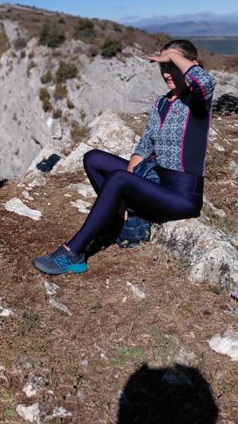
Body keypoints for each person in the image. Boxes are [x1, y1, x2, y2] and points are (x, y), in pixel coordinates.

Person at [32, 39, 215, 275]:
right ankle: (120, 219)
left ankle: (72, 253)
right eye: (163, 67)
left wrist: (174, 58)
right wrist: (129, 196)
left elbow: (206, 82)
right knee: (94, 159)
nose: (167, 73)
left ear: (191, 65)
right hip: (157, 183)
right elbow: (144, 145)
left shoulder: (197, 103)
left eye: (172, 66)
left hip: (182, 197)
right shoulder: (161, 103)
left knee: (118, 179)